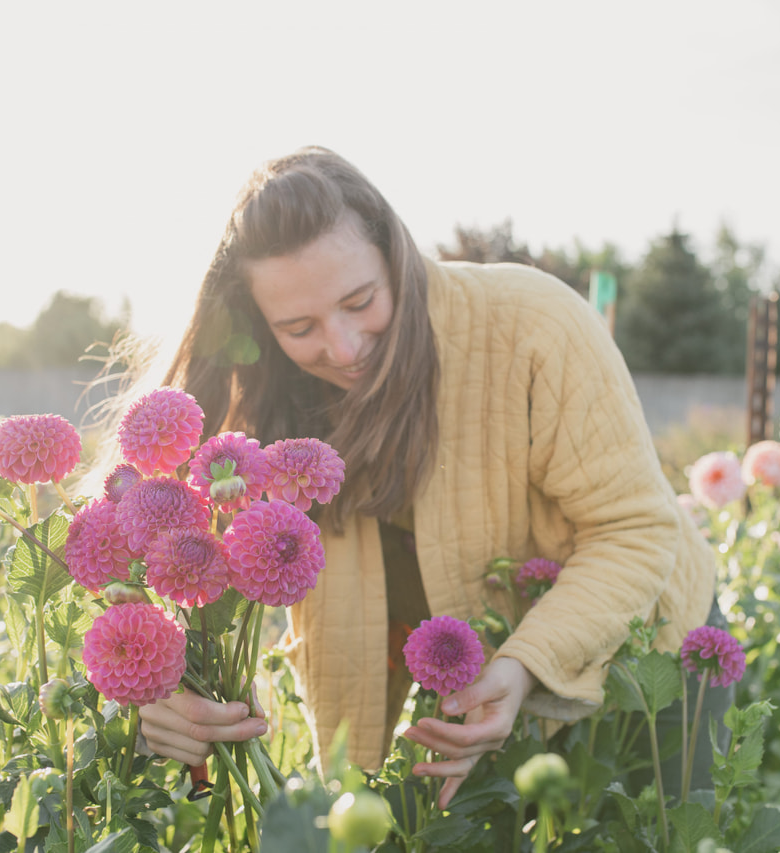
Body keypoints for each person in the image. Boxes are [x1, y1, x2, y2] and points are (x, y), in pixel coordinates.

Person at [130, 145, 720, 808]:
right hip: (454, 680)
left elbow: (634, 528)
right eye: (299, 327)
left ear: (394, 254)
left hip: (644, 653)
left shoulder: (534, 323)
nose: (345, 348)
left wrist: (525, 665)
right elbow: (175, 557)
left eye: (360, 300)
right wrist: (165, 688)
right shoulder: (261, 397)